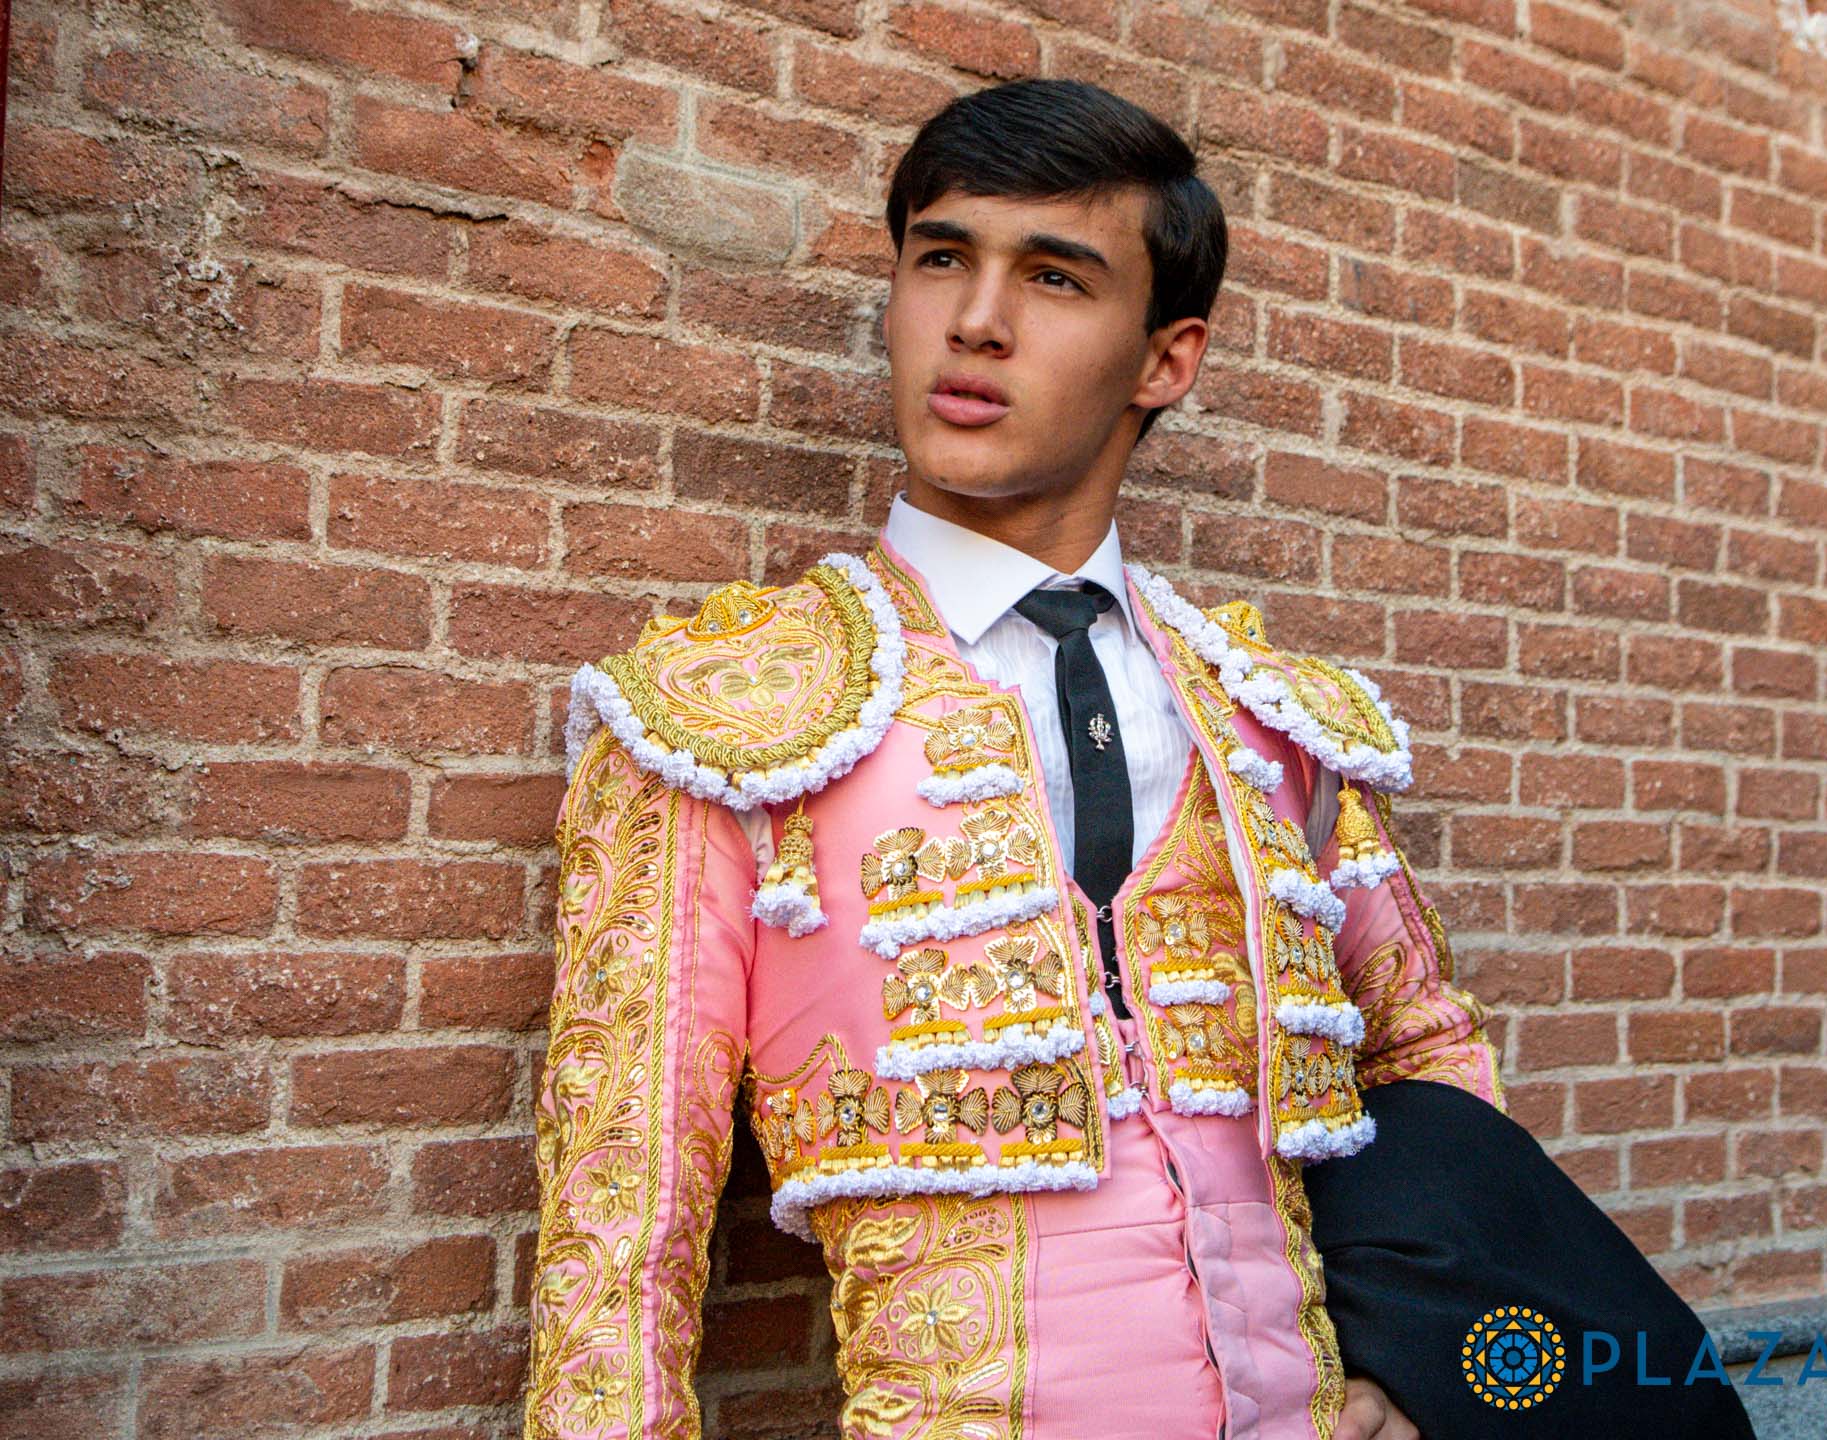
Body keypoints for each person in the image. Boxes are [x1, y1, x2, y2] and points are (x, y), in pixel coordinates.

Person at [524, 78, 1749, 1440]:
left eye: (1054, 277)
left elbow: (1423, 1051)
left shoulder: (1270, 719)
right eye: (941, 259)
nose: (975, 320)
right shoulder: (722, 720)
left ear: (1166, 361)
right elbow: (619, 1224)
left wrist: (1421, 1358)